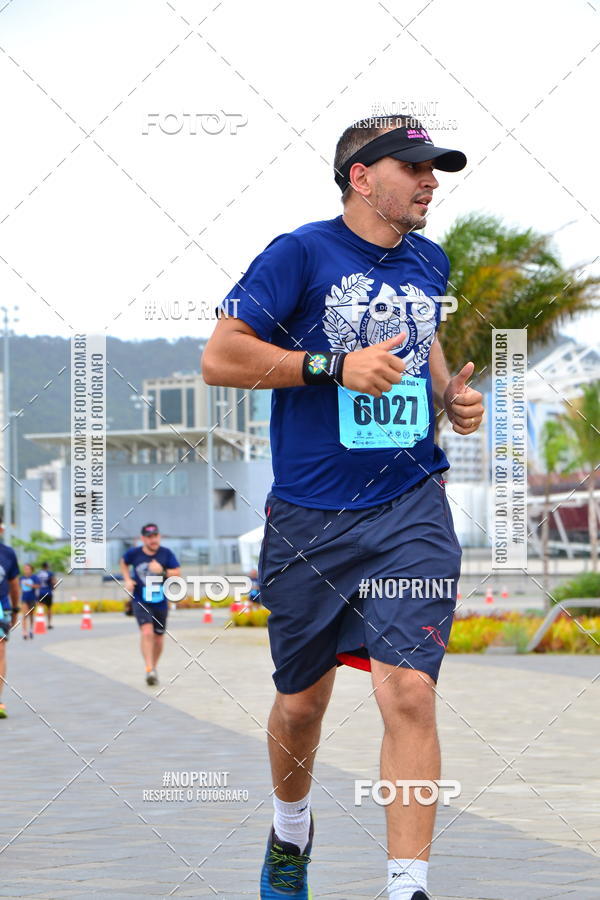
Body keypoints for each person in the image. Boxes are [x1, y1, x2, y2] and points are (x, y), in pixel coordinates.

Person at [202, 117, 484, 899]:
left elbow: (417, 344)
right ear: (361, 177)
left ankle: (408, 885)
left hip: (409, 506)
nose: (431, 182)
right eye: (415, 168)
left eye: (438, 170)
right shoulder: (299, 252)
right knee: (301, 703)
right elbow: (221, 357)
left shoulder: (430, 260)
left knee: (409, 689)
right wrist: (331, 367)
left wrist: (450, 398)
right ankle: (291, 833)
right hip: (309, 517)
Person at [119, 524, 180, 686]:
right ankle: (148, 669)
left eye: (156, 536)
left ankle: (153, 667)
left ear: (159, 536)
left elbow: (177, 572)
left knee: (159, 638)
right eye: (149, 537)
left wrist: (162, 571)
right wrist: (127, 579)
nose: (153, 540)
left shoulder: (166, 554)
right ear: (143, 538)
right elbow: (123, 562)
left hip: (160, 600)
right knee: (147, 633)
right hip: (141, 598)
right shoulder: (134, 553)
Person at [0, 543, 21, 718]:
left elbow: (14, 585)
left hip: (2, 608)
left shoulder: (7, 553)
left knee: (0, 652)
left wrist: (15, 609)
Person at [20, 563, 40, 640]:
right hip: (24, 598)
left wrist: (30, 585)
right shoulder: (21, 578)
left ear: (31, 570)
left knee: (31, 615)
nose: (26, 570)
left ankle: (31, 629)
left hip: (32, 598)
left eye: (28, 569)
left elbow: (38, 585)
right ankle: (24, 632)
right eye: (25, 569)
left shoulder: (34, 577)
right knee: (25, 615)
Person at [36, 561, 56, 629]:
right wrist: (53, 587)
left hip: (41, 592)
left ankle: (40, 622)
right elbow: (53, 582)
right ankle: (49, 624)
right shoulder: (50, 573)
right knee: (49, 608)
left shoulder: (38, 573)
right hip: (48, 592)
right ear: (47, 566)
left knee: (40, 607)